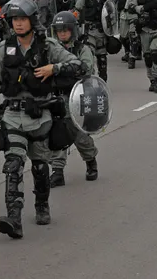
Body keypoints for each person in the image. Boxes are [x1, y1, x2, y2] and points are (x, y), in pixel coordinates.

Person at [0, 0, 84, 239]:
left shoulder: (48, 47)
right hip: (13, 115)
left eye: (22, 19)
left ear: (32, 20)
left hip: (41, 115)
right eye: (14, 19)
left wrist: (53, 69)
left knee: (39, 166)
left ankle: (42, 205)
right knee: (13, 164)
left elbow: (77, 65)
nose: (18, 23)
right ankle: (14, 218)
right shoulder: (4, 49)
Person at [49, 11, 99, 187]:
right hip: (55, 97)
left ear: (72, 30)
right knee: (56, 132)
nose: (62, 33)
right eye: (59, 30)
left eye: (66, 30)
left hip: (76, 97)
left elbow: (85, 70)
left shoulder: (82, 49)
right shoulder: (51, 49)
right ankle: (57, 171)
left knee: (77, 134)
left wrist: (60, 69)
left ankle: (90, 160)